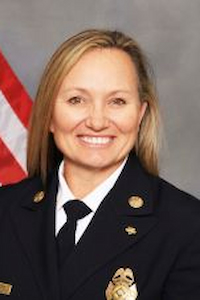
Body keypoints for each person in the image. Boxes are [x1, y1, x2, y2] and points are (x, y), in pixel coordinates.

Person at [0, 29, 200, 300]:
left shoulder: (187, 228)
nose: (97, 121)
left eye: (117, 101)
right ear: (49, 114)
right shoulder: (5, 209)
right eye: (77, 100)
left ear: (140, 114)